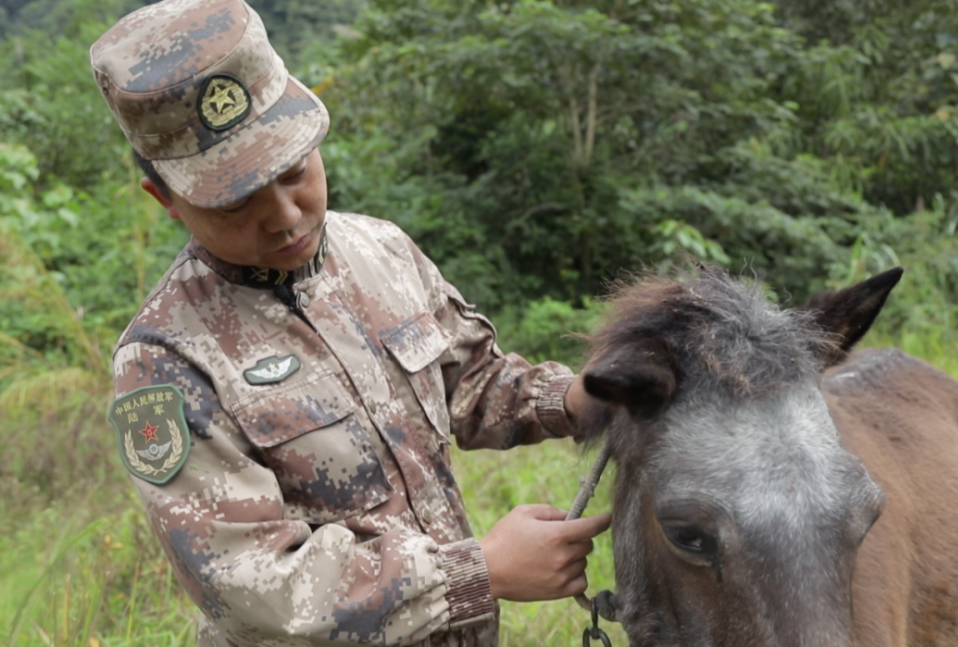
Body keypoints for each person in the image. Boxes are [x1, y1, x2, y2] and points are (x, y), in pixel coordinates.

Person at [93, 0, 611, 645]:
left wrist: (575, 399)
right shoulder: (163, 360)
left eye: (294, 172)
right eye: (235, 201)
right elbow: (248, 585)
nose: (285, 216)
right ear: (164, 199)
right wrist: (478, 571)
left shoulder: (381, 252)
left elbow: (469, 382)